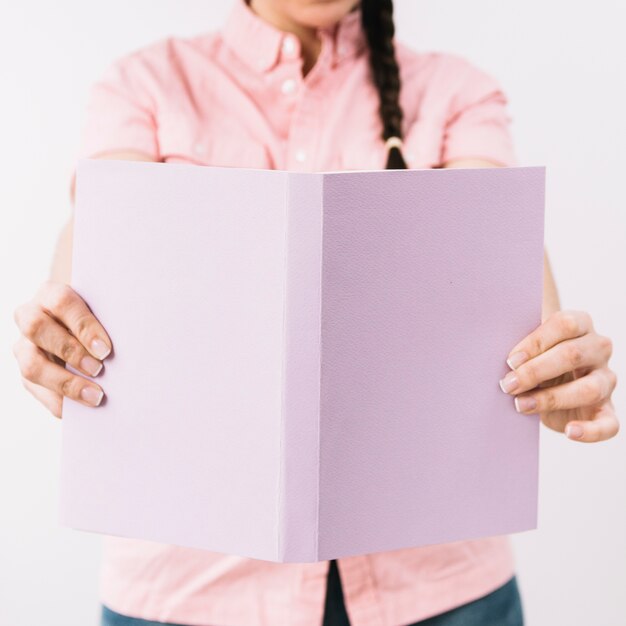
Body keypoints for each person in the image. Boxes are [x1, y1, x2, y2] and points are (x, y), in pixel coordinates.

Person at [12, 0, 619, 625]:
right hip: (186, 591)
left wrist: (560, 374)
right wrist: (58, 325)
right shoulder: (144, 83)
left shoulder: (456, 91)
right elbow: (94, 233)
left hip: (444, 591)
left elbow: (506, 269)